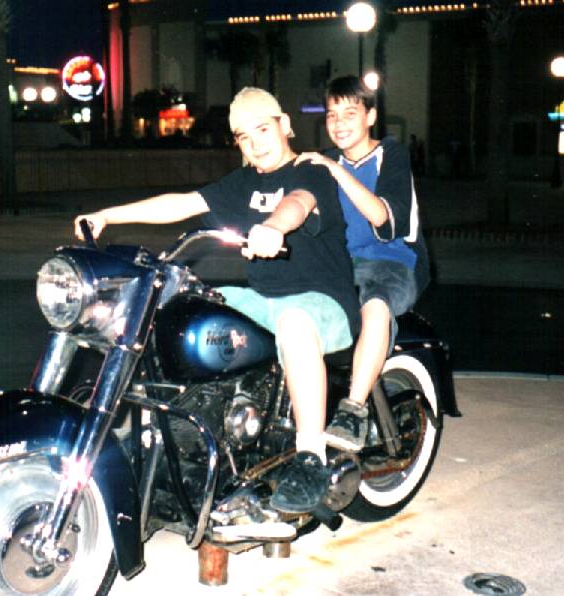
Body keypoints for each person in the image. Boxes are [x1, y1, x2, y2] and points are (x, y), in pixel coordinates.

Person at [74, 87, 360, 514]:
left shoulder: (309, 170)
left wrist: (274, 228)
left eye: (263, 129)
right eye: (244, 136)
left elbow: (298, 204)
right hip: (265, 299)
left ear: (284, 126)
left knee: (295, 323)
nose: (255, 142)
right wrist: (108, 215)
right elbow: (183, 203)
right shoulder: (241, 182)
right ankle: (170, 428)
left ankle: (309, 456)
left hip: (324, 303)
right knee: (187, 307)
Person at [296, 75, 429, 452]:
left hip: (393, 262)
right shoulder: (324, 163)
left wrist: (336, 169)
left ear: (370, 116)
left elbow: (384, 220)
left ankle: (353, 409)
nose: (338, 123)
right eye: (331, 114)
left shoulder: (392, 154)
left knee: (375, 308)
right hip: (345, 264)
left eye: (349, 113)